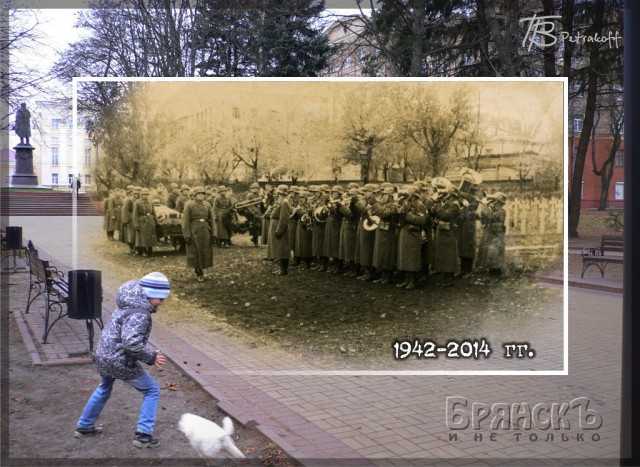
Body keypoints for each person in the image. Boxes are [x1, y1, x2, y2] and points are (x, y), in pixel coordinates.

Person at [75, 272, 170, 449]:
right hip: (119, 360)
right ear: (149, 294)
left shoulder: (128, 302)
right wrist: (151, 356)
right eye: (160, 298)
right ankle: (143, 435)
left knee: (104, 387)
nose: (162, 303)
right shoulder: (140, 313)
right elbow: (131, 343)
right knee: (152, 390)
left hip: (104, 355)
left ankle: (84, 426)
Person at [182, 186, 215, 282]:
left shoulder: (207, 205)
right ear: (194, 195)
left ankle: (204, 268)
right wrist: (187, 235)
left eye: (202, 194)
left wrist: (214, 234)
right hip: (194, 230)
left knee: (205, 250)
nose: (201, 196)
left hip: (205, 230)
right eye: (198, 194)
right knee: (195, 251)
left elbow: (212, 220)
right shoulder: (189, 205)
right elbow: (185, 221)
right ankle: (198, 271)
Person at [476, 192, 507, 281]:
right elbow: (483, 218)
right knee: (489, 254)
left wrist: (485, 206)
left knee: (495, 255)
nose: (493, 204)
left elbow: (490, 217)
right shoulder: (493, 210)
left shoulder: (501, 211)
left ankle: (496, 275)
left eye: (495, 202)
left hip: (497, 235)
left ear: (499, 203)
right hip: (491, 234)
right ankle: (490, 274)